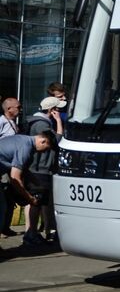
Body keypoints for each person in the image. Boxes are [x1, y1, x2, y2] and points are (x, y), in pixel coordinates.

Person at [24, 96, 64, 245]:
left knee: (36, 202)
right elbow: (57, 140)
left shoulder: (38, 123)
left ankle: (32, 233)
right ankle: (31, 234)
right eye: (57, 108)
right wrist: (59, 121)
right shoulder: (42, 125)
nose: (59, 111)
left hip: (38, 168)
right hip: (40, 169)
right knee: (37, 202)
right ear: (51, 110)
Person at [0, 131, 53, 241]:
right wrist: (29, 198)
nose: (45, 152)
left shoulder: (23, 140)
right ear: (43, 141)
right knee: (1, 208)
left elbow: (22, 169)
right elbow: (15, 178)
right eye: (47, 148)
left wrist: (38, 183)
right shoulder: (26, 147)